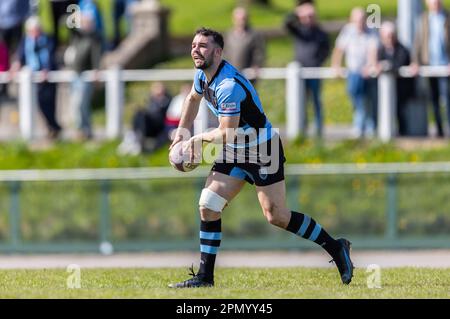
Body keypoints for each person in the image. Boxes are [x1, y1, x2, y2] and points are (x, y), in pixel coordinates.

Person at [168, 28, 354, 288]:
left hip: (262, 149)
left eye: (203, 46)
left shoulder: (228, 86)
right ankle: (204, 277)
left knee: (276, 215)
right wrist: (181, 134)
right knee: (208, 204)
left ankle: (336, 247)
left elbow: (226, 131)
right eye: (193, 45)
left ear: (218, 52)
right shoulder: (202, 75)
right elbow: (192, 99)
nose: (196, 50)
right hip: (235, 149)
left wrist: (197, 139)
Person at [11, 16, 62, 139]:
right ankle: (53, 127)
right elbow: (20, 56)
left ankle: (54, 128)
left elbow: (51, 56)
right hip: (33, 78)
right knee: (40, 103)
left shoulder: (48, 40)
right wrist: (16, 65)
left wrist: (47, 69)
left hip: (47, 77)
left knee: (50, 103)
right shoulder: (26, 41)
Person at [331, 7, 379, 138]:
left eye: (362, 20)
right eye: (357, 20)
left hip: (366, 72)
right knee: (357, 98)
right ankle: (360, 124)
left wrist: (370, 66)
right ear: (352, 20)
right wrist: (336, 66)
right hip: (353, 72)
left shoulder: (371, 31)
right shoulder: (348, 31)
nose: (360, 23)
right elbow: (339, 50)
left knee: (368, 99)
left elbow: (373, 51)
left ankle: (368, 126)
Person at [284, 2, 329, 137]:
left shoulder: (320, 32)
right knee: (300, 101)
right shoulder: (298, 30)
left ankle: (318, 130)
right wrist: (296, 13)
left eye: (311, 16)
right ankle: (301, 129)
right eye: (306, 16)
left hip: (314, 72)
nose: (308, 19)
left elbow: (326, 50)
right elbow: (286, 23)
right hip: (299, 74)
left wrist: (318, 62)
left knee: (316, 101)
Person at [411, 0, 450, 138]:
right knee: (434, 99)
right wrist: (415, 61)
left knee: (447, 98)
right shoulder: (423, 19)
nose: (436, 3)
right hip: (430, 65)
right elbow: (418, 42)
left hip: (445, 66)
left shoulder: (447, 17)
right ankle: (440, 131)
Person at [64, 11, 102, 139]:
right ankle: (81, 129)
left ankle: (86, 130)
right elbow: (66, 24)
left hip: (85, 76)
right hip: (75, 76)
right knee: (75, 105)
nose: (86, 25)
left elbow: (96, 55)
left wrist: (97, 69)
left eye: (88, 23)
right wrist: (74, 16)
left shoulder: (94, 38)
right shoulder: (77, 36)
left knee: (81, 104)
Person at [375, 21, 415, 136]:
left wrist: (386, 66)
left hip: (401, 88)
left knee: (400, 111)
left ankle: (403, 133)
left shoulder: (402, 49)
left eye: (391, 36)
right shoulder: (381, 49)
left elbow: (400, 62)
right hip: (385, 89)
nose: (389, 39)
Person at [223, 7, 265, 85]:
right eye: (238, 19)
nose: (241, 22)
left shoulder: (254, 35)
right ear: (233, 19)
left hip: (248, 76)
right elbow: (224, 53)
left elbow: (259, 53)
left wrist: (256, 65)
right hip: (229, 76)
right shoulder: (228, 35)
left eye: (243, 19)